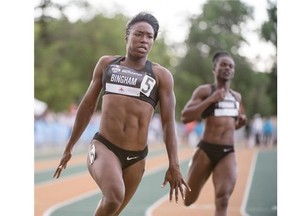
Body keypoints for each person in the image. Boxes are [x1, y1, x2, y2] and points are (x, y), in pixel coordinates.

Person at [53, 12, 189, 216]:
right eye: (139, 34)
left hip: (137, 157)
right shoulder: (107, 65)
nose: (144, 39)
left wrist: (174, 164)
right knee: (115, 196)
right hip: (105, 147)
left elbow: (169, 124)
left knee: (112, 210)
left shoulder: (161, 76)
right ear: (127, 37)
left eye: (149, 36)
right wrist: (69, 146)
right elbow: (87, 106)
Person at [180, 51, 247, 216]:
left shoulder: (236, 97)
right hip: (206, 150)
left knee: (223, 199)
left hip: (227, 152)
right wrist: (211, 100)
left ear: (234, 71)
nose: (227, 68)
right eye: (223, 64)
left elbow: (232, 126)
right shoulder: (205, 91)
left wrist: (240, 123)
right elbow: (185, 117)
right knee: (188, 199)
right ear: (214, 69)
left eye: (231, 66)